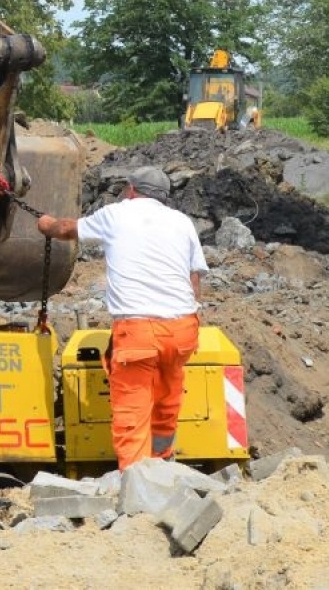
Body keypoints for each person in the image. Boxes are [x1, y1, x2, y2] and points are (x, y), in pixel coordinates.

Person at [37, 165, 208, 470]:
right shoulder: (182, 222)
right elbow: (194, 279)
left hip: (140, 331)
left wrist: (46, 224)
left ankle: (137, 480)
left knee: (132, 410)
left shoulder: (117, 214)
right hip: (183, 328)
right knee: (167, 399)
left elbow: (66, 230)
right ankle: (163, 464)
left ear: (131, 190)